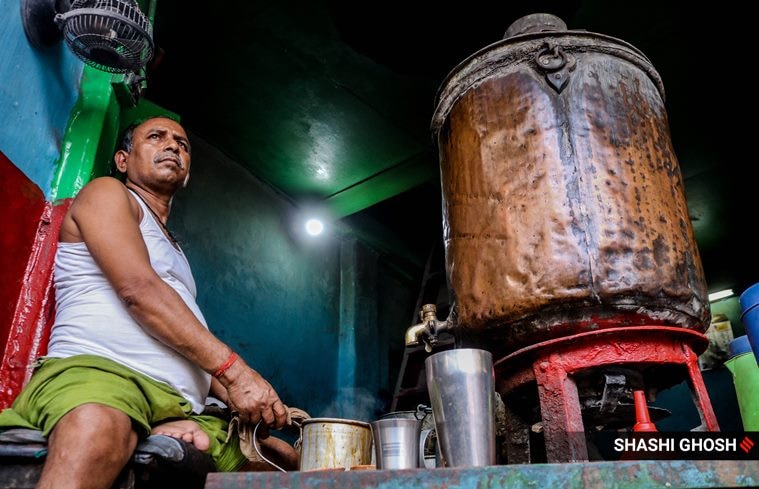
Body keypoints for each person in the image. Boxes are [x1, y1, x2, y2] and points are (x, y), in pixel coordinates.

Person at [0, 116, 298, 488]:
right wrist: (237, 374)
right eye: (156, 137)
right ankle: (142, 423)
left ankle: (162, 423)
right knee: (99, 424)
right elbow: (138, 290)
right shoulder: (108, 193)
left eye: (182, 144)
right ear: (123, 160)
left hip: (178, 401)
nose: (173, 145)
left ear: (187, 174)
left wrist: (256, 398)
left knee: (285, 460)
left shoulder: (176, 253)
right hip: (103, 374)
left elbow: (186, 341)